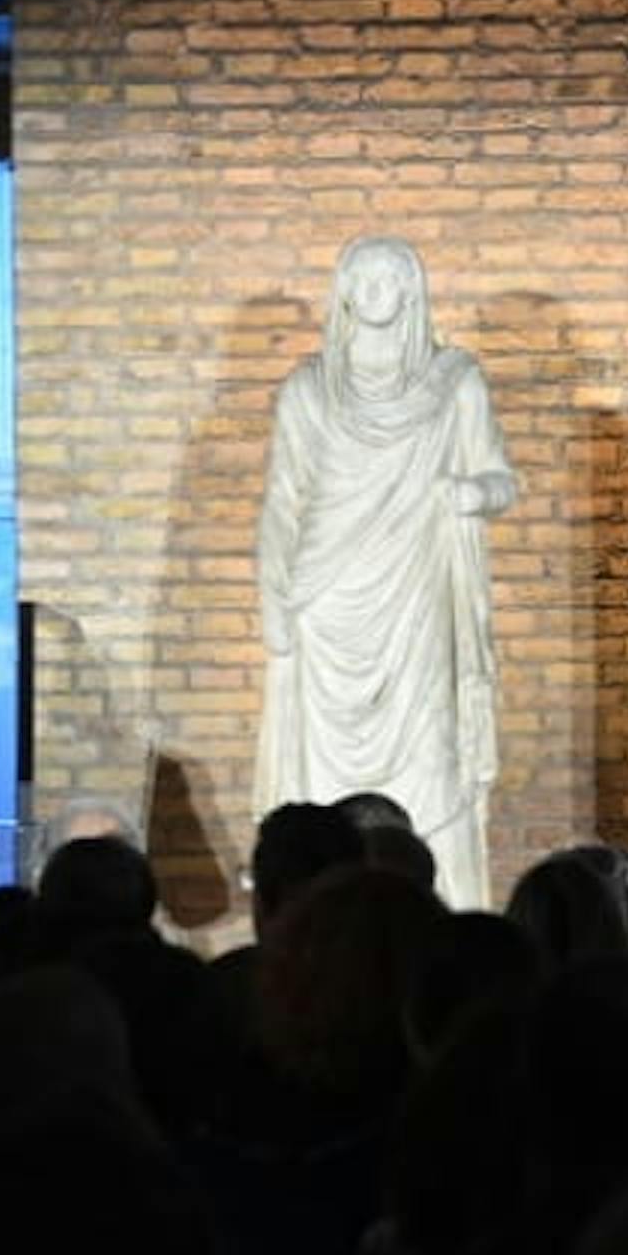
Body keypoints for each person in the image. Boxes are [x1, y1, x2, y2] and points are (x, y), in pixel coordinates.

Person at [256, 238, 519, 904]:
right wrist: (273, 605)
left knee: (431, 749)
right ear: (343, 289)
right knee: (320, 770)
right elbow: (282, 501)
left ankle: (442, 905)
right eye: (361, 276)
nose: (374, 288)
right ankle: (318, 903)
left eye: (389, 276)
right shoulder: (307, 389)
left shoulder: (453, 380)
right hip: (325, 595)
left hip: (416, 587)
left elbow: (499, 478)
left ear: (411, 289)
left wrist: (472, 493)